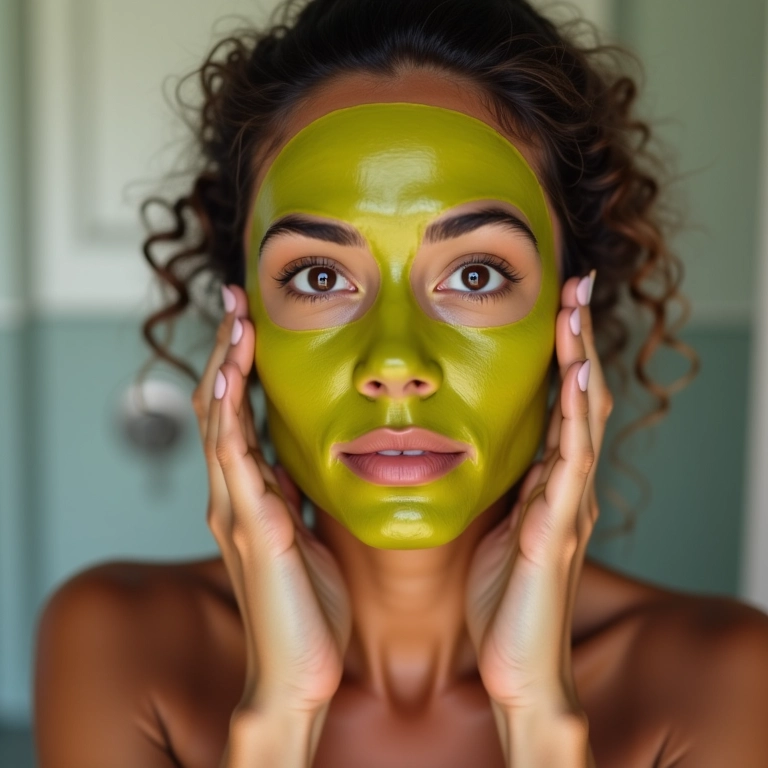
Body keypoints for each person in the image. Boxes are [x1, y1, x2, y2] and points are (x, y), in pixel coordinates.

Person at [33, 1, 768, 766]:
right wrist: (281, 713)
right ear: (241, 320)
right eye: (319, 276)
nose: (392, 362)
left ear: (567, 310)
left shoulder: (719, 677)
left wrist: (538, 715)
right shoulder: (115, 641)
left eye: (475, 274)